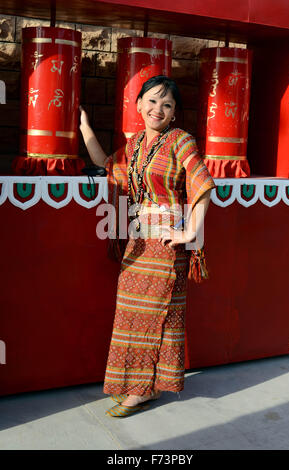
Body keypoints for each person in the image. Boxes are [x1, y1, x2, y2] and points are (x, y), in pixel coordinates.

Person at [79, 75, 216, 418]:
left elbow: (203, 184)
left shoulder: (181, 141)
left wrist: (189, 234)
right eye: (152, 101)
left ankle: (139, 392)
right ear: (138, 104)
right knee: (131, 316)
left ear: (173, 114)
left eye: (167, 104)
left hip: (168, 246)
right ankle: (146, 385)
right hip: (137, 245)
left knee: (151, 316)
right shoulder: (135, 144)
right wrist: (84, 127)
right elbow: (108, 165)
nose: (158, 109)